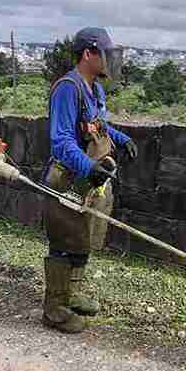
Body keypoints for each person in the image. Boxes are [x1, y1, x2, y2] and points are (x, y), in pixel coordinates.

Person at [41, 27, 138, 333]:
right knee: (63, 239)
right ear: (88, 54)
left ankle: (73, 293)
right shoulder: (68, 89)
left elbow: (99, 126)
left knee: (86, 236)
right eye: (106, 54)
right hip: (69, 177)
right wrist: (87, 166)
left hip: (93, 178)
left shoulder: (95, 88)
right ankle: (54, 308)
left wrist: (121, 139)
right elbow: (61, 141)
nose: (110, 60)